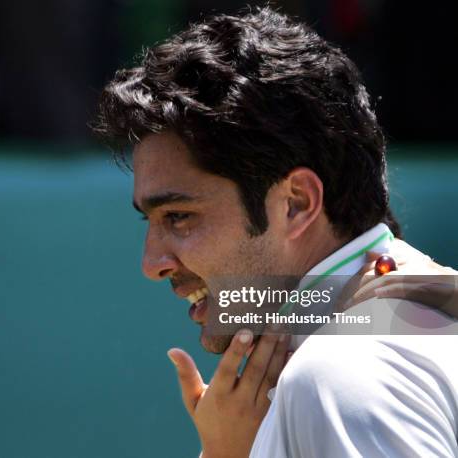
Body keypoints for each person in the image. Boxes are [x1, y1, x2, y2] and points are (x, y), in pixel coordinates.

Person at [91, 6, 458, 457]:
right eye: (151, 222)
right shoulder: (428, 311)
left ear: (297, 203)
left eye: (179, 216)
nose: (153, 265)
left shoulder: (339, 377)